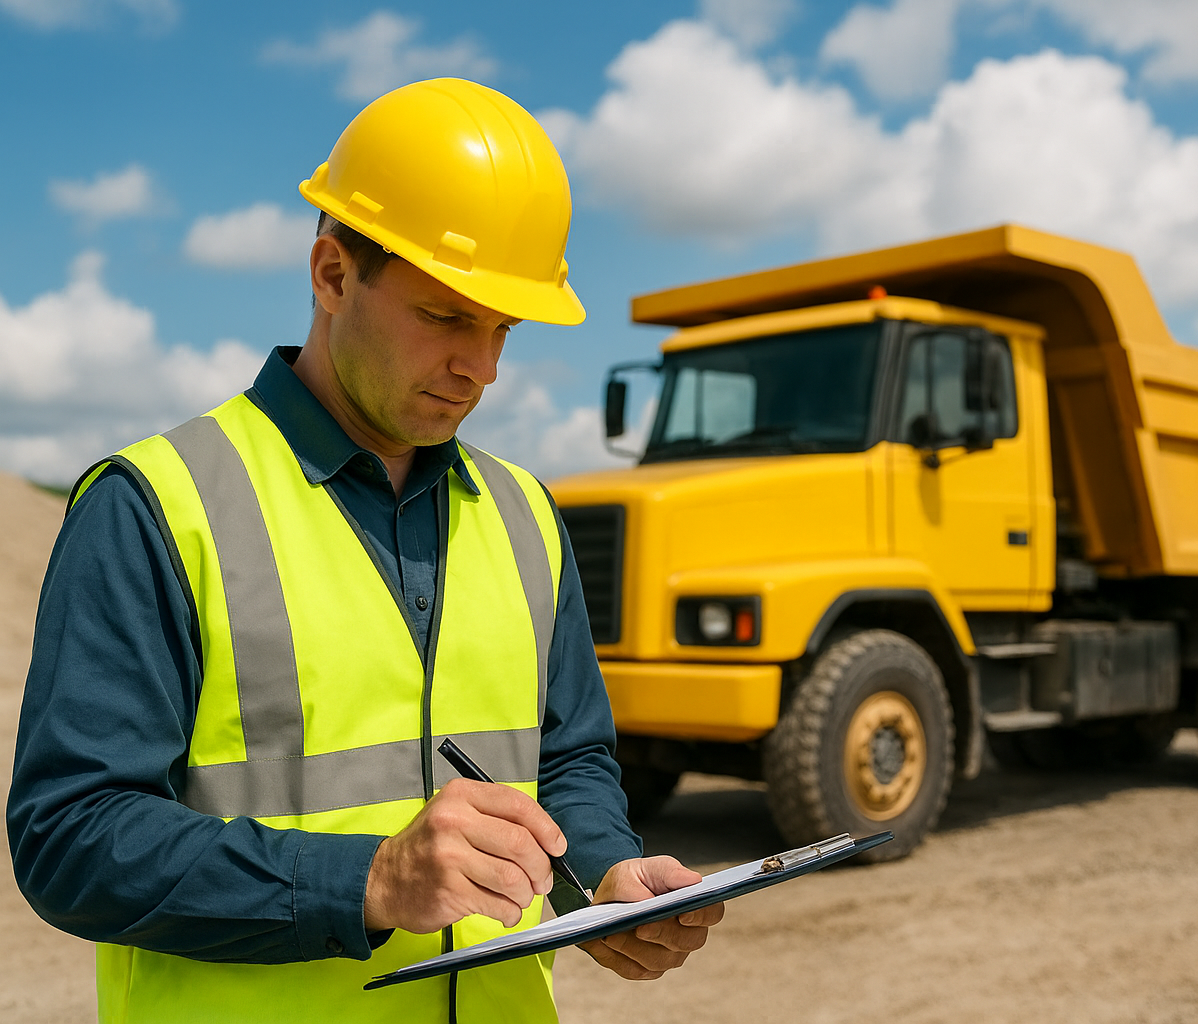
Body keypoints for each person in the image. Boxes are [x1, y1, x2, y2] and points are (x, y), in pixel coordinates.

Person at [6, 78, 721, 1023]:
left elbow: (570, 759)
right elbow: (72, 838)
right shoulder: (156, 507)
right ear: (333, 273)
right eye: (446, 315)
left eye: (503, 327)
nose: (483, 368)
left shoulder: (524, 516)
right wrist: (371, 881)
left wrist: (603, 876)